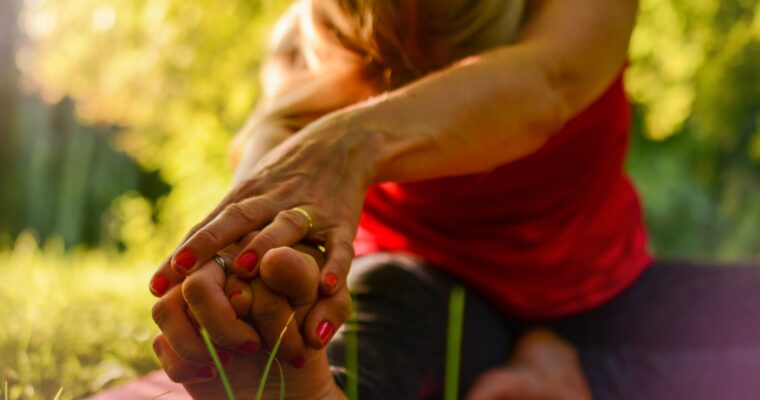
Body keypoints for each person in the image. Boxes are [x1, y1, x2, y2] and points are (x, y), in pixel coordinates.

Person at [148, 0, 760, 399]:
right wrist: (243, 263)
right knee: (378, 309)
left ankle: (573, 378)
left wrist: (346, 142)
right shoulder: (310, 43)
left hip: (602, 290)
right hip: (427, 283)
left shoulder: (584, 15)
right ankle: (313, 385)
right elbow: (269, 145)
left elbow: (545, 84)